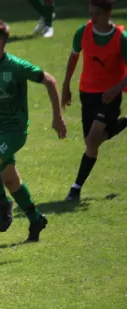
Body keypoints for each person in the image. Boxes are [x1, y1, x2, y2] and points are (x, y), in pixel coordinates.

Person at [0, 19, 67, 242]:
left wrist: (57, 116)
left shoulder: (16, 67)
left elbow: (49, 80)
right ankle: (35, 218)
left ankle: (4, 203)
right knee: (10, 179)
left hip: (13, 130)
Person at [62, 0, 127, 201]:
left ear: (109, 13)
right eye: (90, 13)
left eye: (97, 14)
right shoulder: (82, 32)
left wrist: (116, 88)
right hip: (87, 93)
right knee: (92, 142)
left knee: (92, 139)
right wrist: (66, 85)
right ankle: (123, 122)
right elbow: (73, 58)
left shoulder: (121, 38)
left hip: (109, 96)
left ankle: (75, 188)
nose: (92, 18)